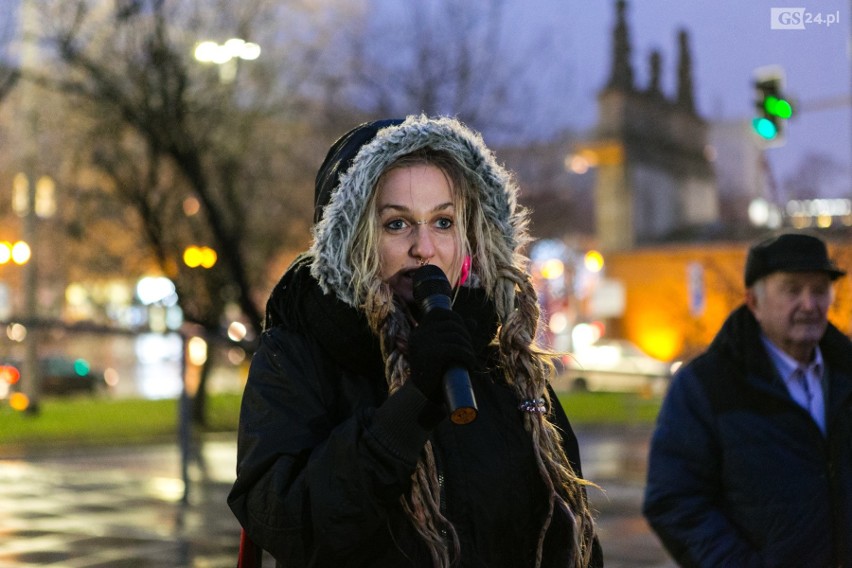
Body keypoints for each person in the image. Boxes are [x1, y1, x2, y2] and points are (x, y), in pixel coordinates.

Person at [228, 115, 602, 568]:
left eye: (443, 222)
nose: (425, 247)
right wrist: (413, 404)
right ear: (351, 238)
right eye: (396, 225)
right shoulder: (300, 351)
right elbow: (286, 521)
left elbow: (568, 529)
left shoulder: (501, 356)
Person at [643, 232, 852, 567]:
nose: (809, 304)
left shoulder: (845, 375)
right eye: (792, 290)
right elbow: (675, 501)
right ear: (754, 303)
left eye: (819, 289)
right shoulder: (707, 386)